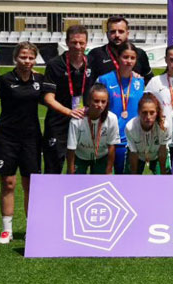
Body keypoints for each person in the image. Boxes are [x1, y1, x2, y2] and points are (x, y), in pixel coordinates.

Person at [0, 42, 44, 244]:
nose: (27, 61)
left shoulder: (40, 79)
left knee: (29, 184)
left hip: (31, 138)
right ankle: (7, 230)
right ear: (16, 58)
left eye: (31, 57)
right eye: (23, 57)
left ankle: (31, 228)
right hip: (7, 137)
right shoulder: (4, 80)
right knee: (8, 182)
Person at [42, 25, 93, 174]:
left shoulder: (91, 62)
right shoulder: (55, 64)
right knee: (53, 167)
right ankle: (51, 197)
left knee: (78, 168)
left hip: (83, 121)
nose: (78, 46)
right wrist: (69, 112)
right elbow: (48, 98)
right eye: (74, 42)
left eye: (81, 43)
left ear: (86, 43)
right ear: (67, 42)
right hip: (58, 123)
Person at [96, 41, 146, 174]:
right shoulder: (104, 80)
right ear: (118, 57)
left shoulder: (140, 82)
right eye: (125, 57)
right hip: (108, 139)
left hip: (131, 139)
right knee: (104, 180)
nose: (129, 61)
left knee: (128, 182)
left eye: (132, 58)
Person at [67, 84, 120, 174]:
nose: (100, 105)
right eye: (96, 101)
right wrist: (70, 169)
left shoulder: (112, 118)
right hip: (80, 156)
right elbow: (71, 148)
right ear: (88, 101)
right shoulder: (76, 120)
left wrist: (109, 169)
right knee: (75, 184)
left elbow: (112, 146)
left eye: (103, 102)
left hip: (102, 156)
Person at [87, 16, 153, 84]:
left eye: (121, 31)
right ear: (107, 34)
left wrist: (141, 80)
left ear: (127, 34)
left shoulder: (139, 54)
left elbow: (150, 81)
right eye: (113, 32)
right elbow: (88, 84)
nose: (117, 35)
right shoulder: (96, 54)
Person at [124, 94, 171, 174]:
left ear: (157, 112)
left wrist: (163, 176)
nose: (148, 117)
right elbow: (133, 153)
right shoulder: (130, 127)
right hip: (138, 156)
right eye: (144, 113)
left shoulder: (164, 126)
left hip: (157, 156)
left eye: (152, 113)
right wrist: (133, 178)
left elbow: (162, 150)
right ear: (139, 112)